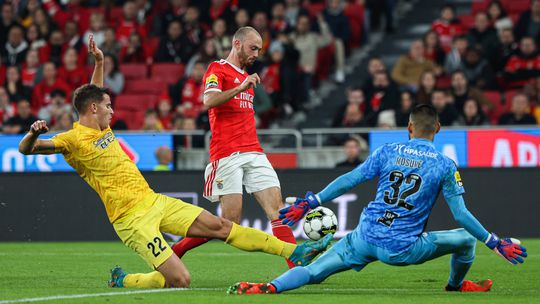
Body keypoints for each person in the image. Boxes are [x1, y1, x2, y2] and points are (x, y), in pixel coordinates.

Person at [17, 35, 331, 289]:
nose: (113, 110)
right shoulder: (71, 139)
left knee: (222, 226)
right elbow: (26, 150)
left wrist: (99, 62)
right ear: (95, 109)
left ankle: (295, 251)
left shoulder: (102, 125)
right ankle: (126, 279)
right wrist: (33, 133)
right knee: (180, 280)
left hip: (154, 201)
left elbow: (94, 94)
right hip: (130, 219)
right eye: (108, 106)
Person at [228, 104, 528, 295]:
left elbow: (350, 179)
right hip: (401, 248)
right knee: (465, 240)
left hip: (364, 236)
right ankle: (456, 286)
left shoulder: (388, 151)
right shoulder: (444, 164)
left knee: (314, 272)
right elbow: (461, 215)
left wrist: (312, 201)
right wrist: (494, 241)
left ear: (409, 128)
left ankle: (268, 287)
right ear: (438, 129)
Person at [171, 27, 299, 269]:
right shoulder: (217, 69)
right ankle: (177, 249)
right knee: (229, 222)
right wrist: (241, 87)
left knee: (277, 211)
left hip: (254, 151)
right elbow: (208, 102)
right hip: (226, 154)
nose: (257, 54)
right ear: (237, 44)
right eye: (253, 48)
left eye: (260, 50)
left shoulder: (248, 76)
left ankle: (298, 268)